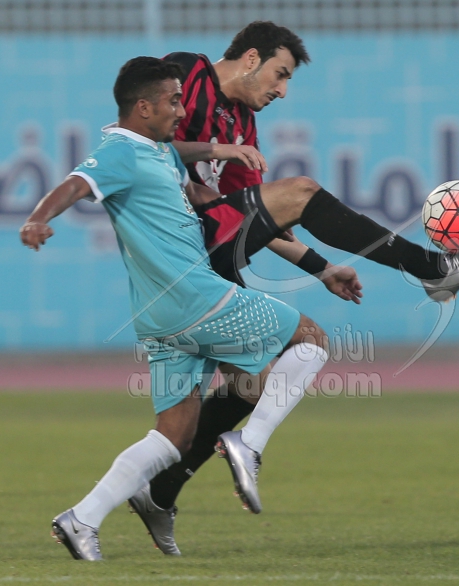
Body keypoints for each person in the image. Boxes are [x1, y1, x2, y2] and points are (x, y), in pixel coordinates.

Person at [127, 21, 459, 556]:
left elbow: (257, 218)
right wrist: (218, 151)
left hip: (209, 249)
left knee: (254, 388)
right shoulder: (188, 73)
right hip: (174, 239)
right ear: (251, 58)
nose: (282, 90)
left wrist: (322, 268)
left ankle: (159, 492)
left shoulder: (243, 125)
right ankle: (431, 268)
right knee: (303, 191)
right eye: (280, 74)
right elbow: (142, 143)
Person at [19, 56, 331, 561]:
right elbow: (76, 183)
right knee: (311, 340)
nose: (182, 111)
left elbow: (195, 189)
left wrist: (254, 207)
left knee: (174, 436)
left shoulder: (159, 152)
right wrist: (38, 218)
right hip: (194, 298)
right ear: (144, 107)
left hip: (161, 316)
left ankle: (81, 519)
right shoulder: (120, 151)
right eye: (173, 101)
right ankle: (249, 443)